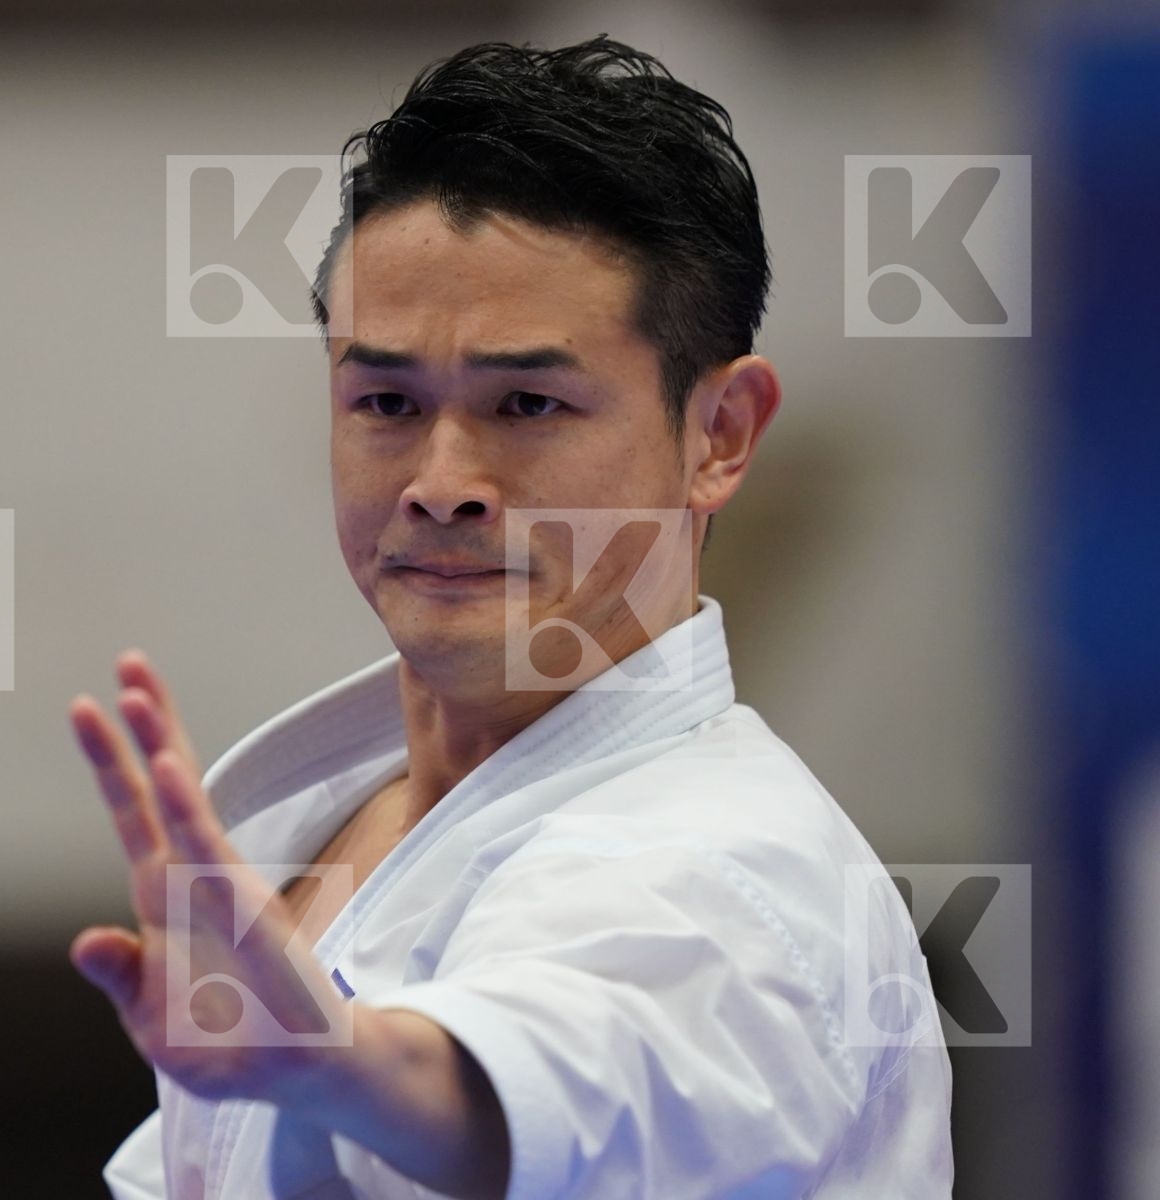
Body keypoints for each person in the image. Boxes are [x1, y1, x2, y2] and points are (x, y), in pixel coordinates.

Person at [68, 36, 953, 1199]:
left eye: (528, 402)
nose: (441, 478)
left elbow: (540, 1090)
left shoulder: (734, 873)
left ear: (721, 433)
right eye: (386, 399)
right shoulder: (339, 814)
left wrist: (347, 1066)